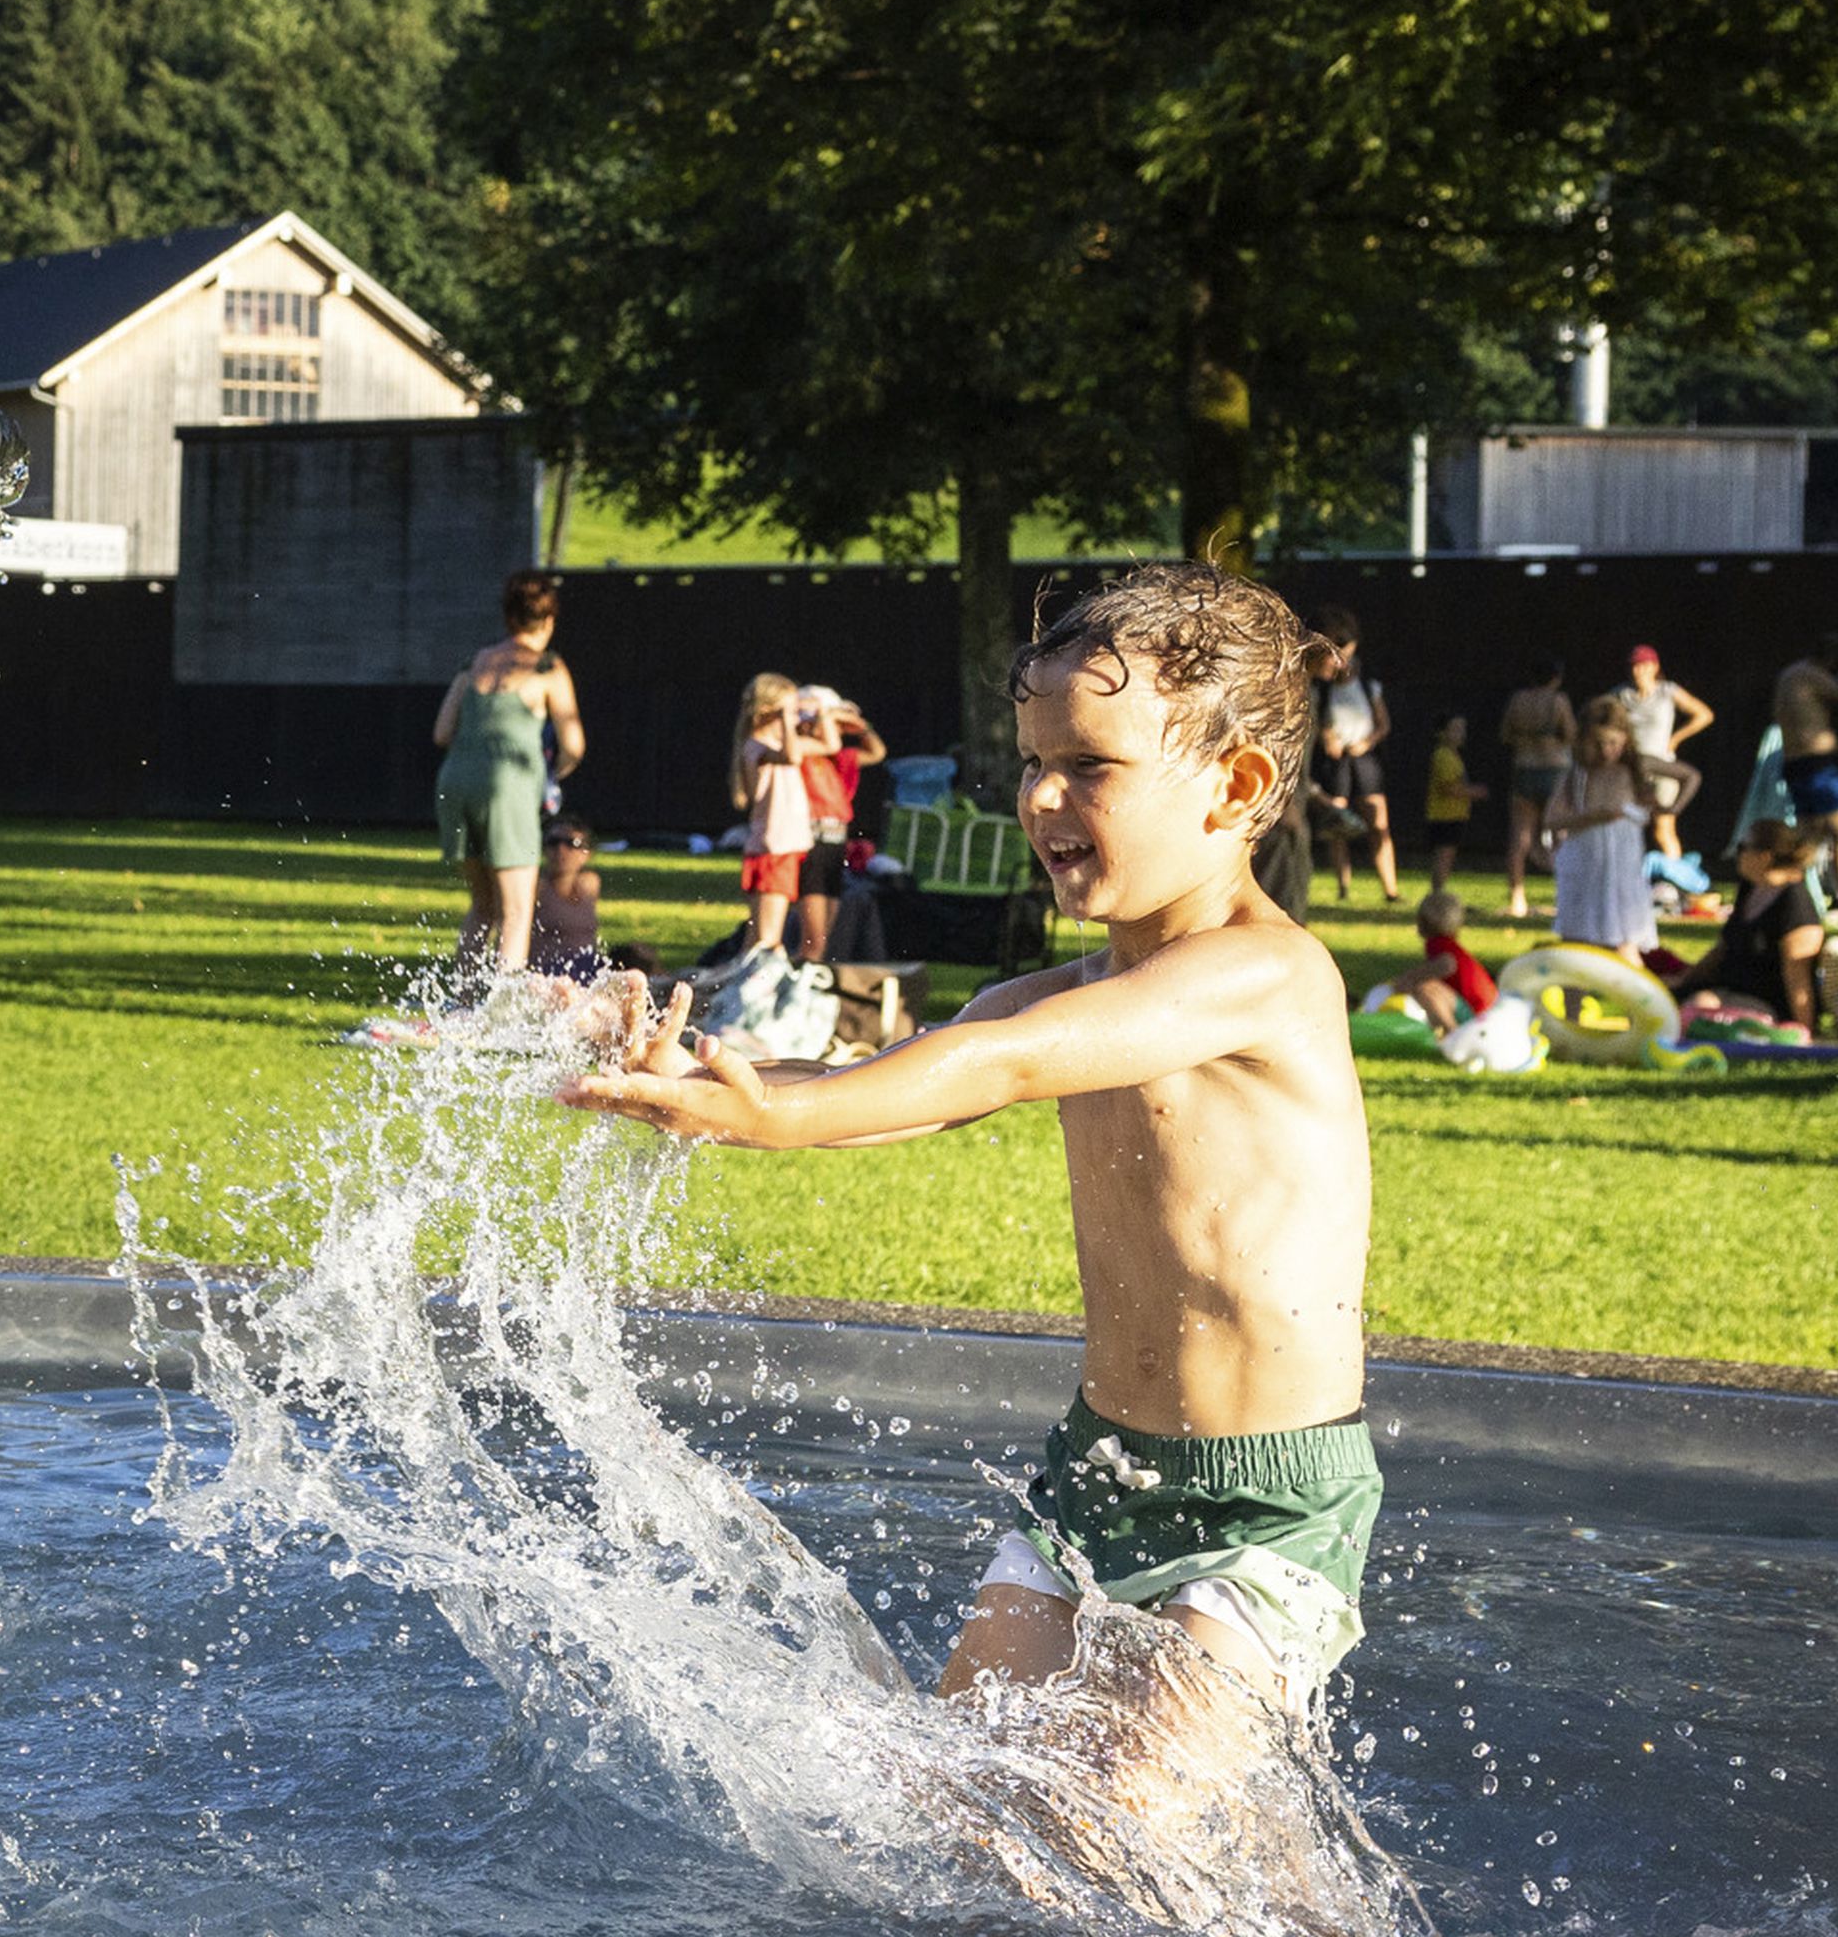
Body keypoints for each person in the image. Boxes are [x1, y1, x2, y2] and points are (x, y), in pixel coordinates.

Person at [560, 565, 1375, 1783]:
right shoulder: (1069, 992)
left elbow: (996, 1065)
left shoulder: (1267, 975)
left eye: (1091, 764)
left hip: (1266, 1506)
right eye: (1035, 760)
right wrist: (693, 1077)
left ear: (1238, 785)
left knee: (1132, 1839)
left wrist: (773, 1122)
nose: (1041, 794)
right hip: (1097, 1472)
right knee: (962, 1810)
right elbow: (900, 1083)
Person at [430, 574, 585, 980]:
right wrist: (552, 776)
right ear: (548, 620)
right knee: (516, 911)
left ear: (508, 617)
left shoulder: (475, 662)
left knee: (482, 906)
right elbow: (574, 745)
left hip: (454, 784)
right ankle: (501, 1012)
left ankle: (462, 1003)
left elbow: (442, 733)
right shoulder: (549, 667)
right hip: (507, 789)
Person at [1673, 818, 1830, 1033]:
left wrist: (1804, 1032)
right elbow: (1723, 947)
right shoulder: (1751, 888)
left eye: (1742, 847)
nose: (1738, 854)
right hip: (1727, 990)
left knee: (1697, 1011)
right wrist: (1682, 980)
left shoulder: (1795, 905)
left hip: (1767, 1004)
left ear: (1764, 857)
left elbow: (1798, 977)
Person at [1774, 634, 1838, 933]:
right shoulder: (1809, 674)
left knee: (1807, 840)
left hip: (1796, 765)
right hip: (1818, 767)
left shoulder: (1789, 675)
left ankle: (1787, 907)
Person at [1544, 696, 1658, 960]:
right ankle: (1574, 1001)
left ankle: (1641, 999)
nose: (1606, 751)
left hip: (1620, 870)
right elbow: (1552, 819)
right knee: (1575, 943)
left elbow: (1688, 776)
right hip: (1586, 863)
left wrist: (1669, 807)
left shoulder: (1630, 771)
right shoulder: (1577, 774)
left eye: (1613, 743)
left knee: (1623, 940)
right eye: (1599, 743)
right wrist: (1593, 818)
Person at [729, 672, 825, 959]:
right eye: (788, 709)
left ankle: (732, 993)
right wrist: (787, 719)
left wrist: (822, 713)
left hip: (777, 847)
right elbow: (793, 756)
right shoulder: (756, 746)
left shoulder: (770, 745)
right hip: (774, 848)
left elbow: (829, 745)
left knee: (757, 940)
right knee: (768, 942)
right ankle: (751, 993)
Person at [1308, 608, 1399, 906]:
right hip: (1337, 760)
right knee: (1339, 822)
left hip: (1364, 758)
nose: (1340, 662)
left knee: (1377, 822)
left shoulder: (1368, 682)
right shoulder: (1321, 686)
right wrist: (1327, 737)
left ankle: (1390, 889)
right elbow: (1318, 723)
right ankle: (1343, 887)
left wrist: (1367, 742)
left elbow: (1383, 723)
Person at [793, 686, 887, 964]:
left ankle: (809, 982)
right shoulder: (799, 751)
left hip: (834, 843)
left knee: (822, 940)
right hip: (812, 842)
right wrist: (826, 714)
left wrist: (860, 726)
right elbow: (828, 742)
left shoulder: (840, 758)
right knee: (812, 939)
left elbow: (877, 751)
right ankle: (794, 985)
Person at [1615, 644, 1713, 867]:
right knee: (1627, 826)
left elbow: (1704, 715)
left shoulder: (1667, 691)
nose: (1637, 671)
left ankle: (1675, 879)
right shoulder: (1621, 695)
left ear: (1654, 667)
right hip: (1633, 769)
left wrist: (1676, 739)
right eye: (1634, 666)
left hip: (1662, 766)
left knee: (1663, 827)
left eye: (1642, 666)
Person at [1498, 656, 1578, 922]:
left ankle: (1517, 899)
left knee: (1519, 838)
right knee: (1560, 836)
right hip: (1554, 771)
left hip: (1524, 768)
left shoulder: (1518, 700)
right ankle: (1564, 898)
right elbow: (1570, 734)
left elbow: (1505, 735)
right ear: (1556, 677)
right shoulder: (1558, 701)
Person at [1392, 887, 1498, 1034]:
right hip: (1488, 1011)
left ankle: (1453, 1034)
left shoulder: (1438, 944)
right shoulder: (1450, 946)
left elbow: (1447, 965)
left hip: (1479, 1015)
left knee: (1425, 988)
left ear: (1423, 923)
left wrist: (1410, 978)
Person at [532, 819, 605, 978]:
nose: (560, 850)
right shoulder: (536, 888)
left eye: (572, 843)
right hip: (550, 972)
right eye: (553, 842)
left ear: (587, 854)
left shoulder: (590, 884)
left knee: (638, 955)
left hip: (588, 966)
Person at [1422, 714, 1485, 896]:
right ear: (1441, 733)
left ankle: (1439, 891)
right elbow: (1449, 788)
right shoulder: (1443, 756)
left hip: (1455, 815)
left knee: (1447, 855)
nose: (1461, 734)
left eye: (1462, 729)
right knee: (1444, 856)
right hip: (1444, 816)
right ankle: (1438, 892)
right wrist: (1476, 792)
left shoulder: (1453, 756)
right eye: (1455, 729)